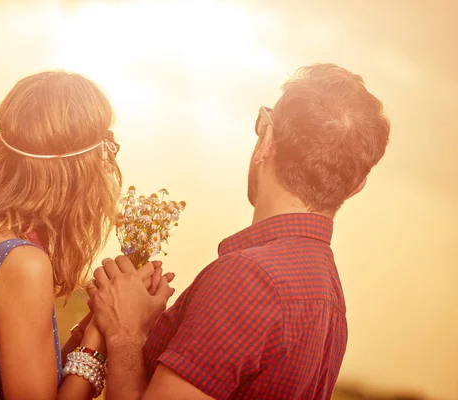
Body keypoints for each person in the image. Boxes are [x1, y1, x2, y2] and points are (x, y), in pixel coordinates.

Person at [88, 63, 391, 399]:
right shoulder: (329, 296)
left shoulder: (248, 279)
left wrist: (126, 335)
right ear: (356, 186)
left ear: (267, 141)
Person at [0, 70, 173, 400]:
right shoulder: (21, 263)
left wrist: (94, 323)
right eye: (105, 150)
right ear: (81, 167)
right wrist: (105, 337)